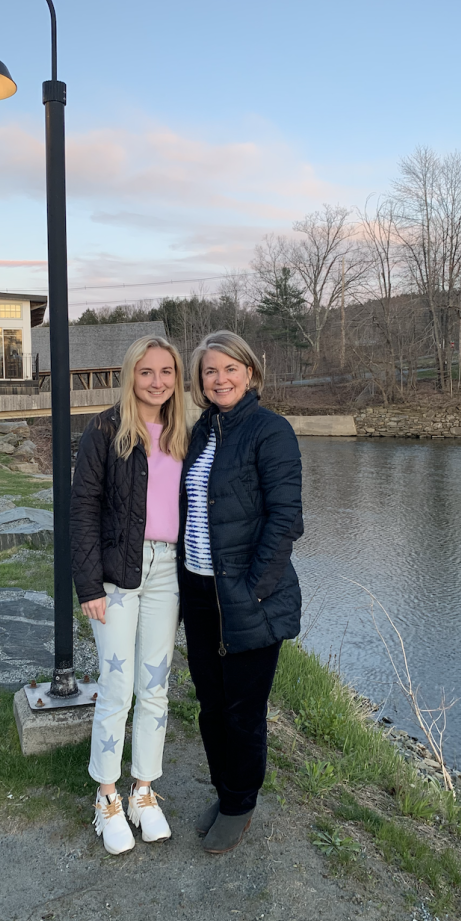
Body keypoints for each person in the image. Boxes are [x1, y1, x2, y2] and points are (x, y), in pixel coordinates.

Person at [178, 330, 303, 854]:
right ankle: (224, 789)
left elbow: (285, 520)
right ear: (200, 381)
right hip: (200, 593)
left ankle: (239, 803)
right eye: (210, 371)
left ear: (249, 373)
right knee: (209, 703)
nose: (220, 379)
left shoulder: (270, 431)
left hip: (249, 597)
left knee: (242, 710)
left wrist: (253, 591)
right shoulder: (201, 431)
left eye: (230, 369)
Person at [71, 335, 188, 854]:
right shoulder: (105, 429)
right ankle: (106, 796)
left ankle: (143, 788)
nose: (157, 381)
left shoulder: (188, 430)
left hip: (168, 571)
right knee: (116, 687)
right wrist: (88, 585)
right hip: (118, 573)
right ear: (130, 375)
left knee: (156, 685)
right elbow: (83, 511)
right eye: (147, 372)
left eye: (166, 372)